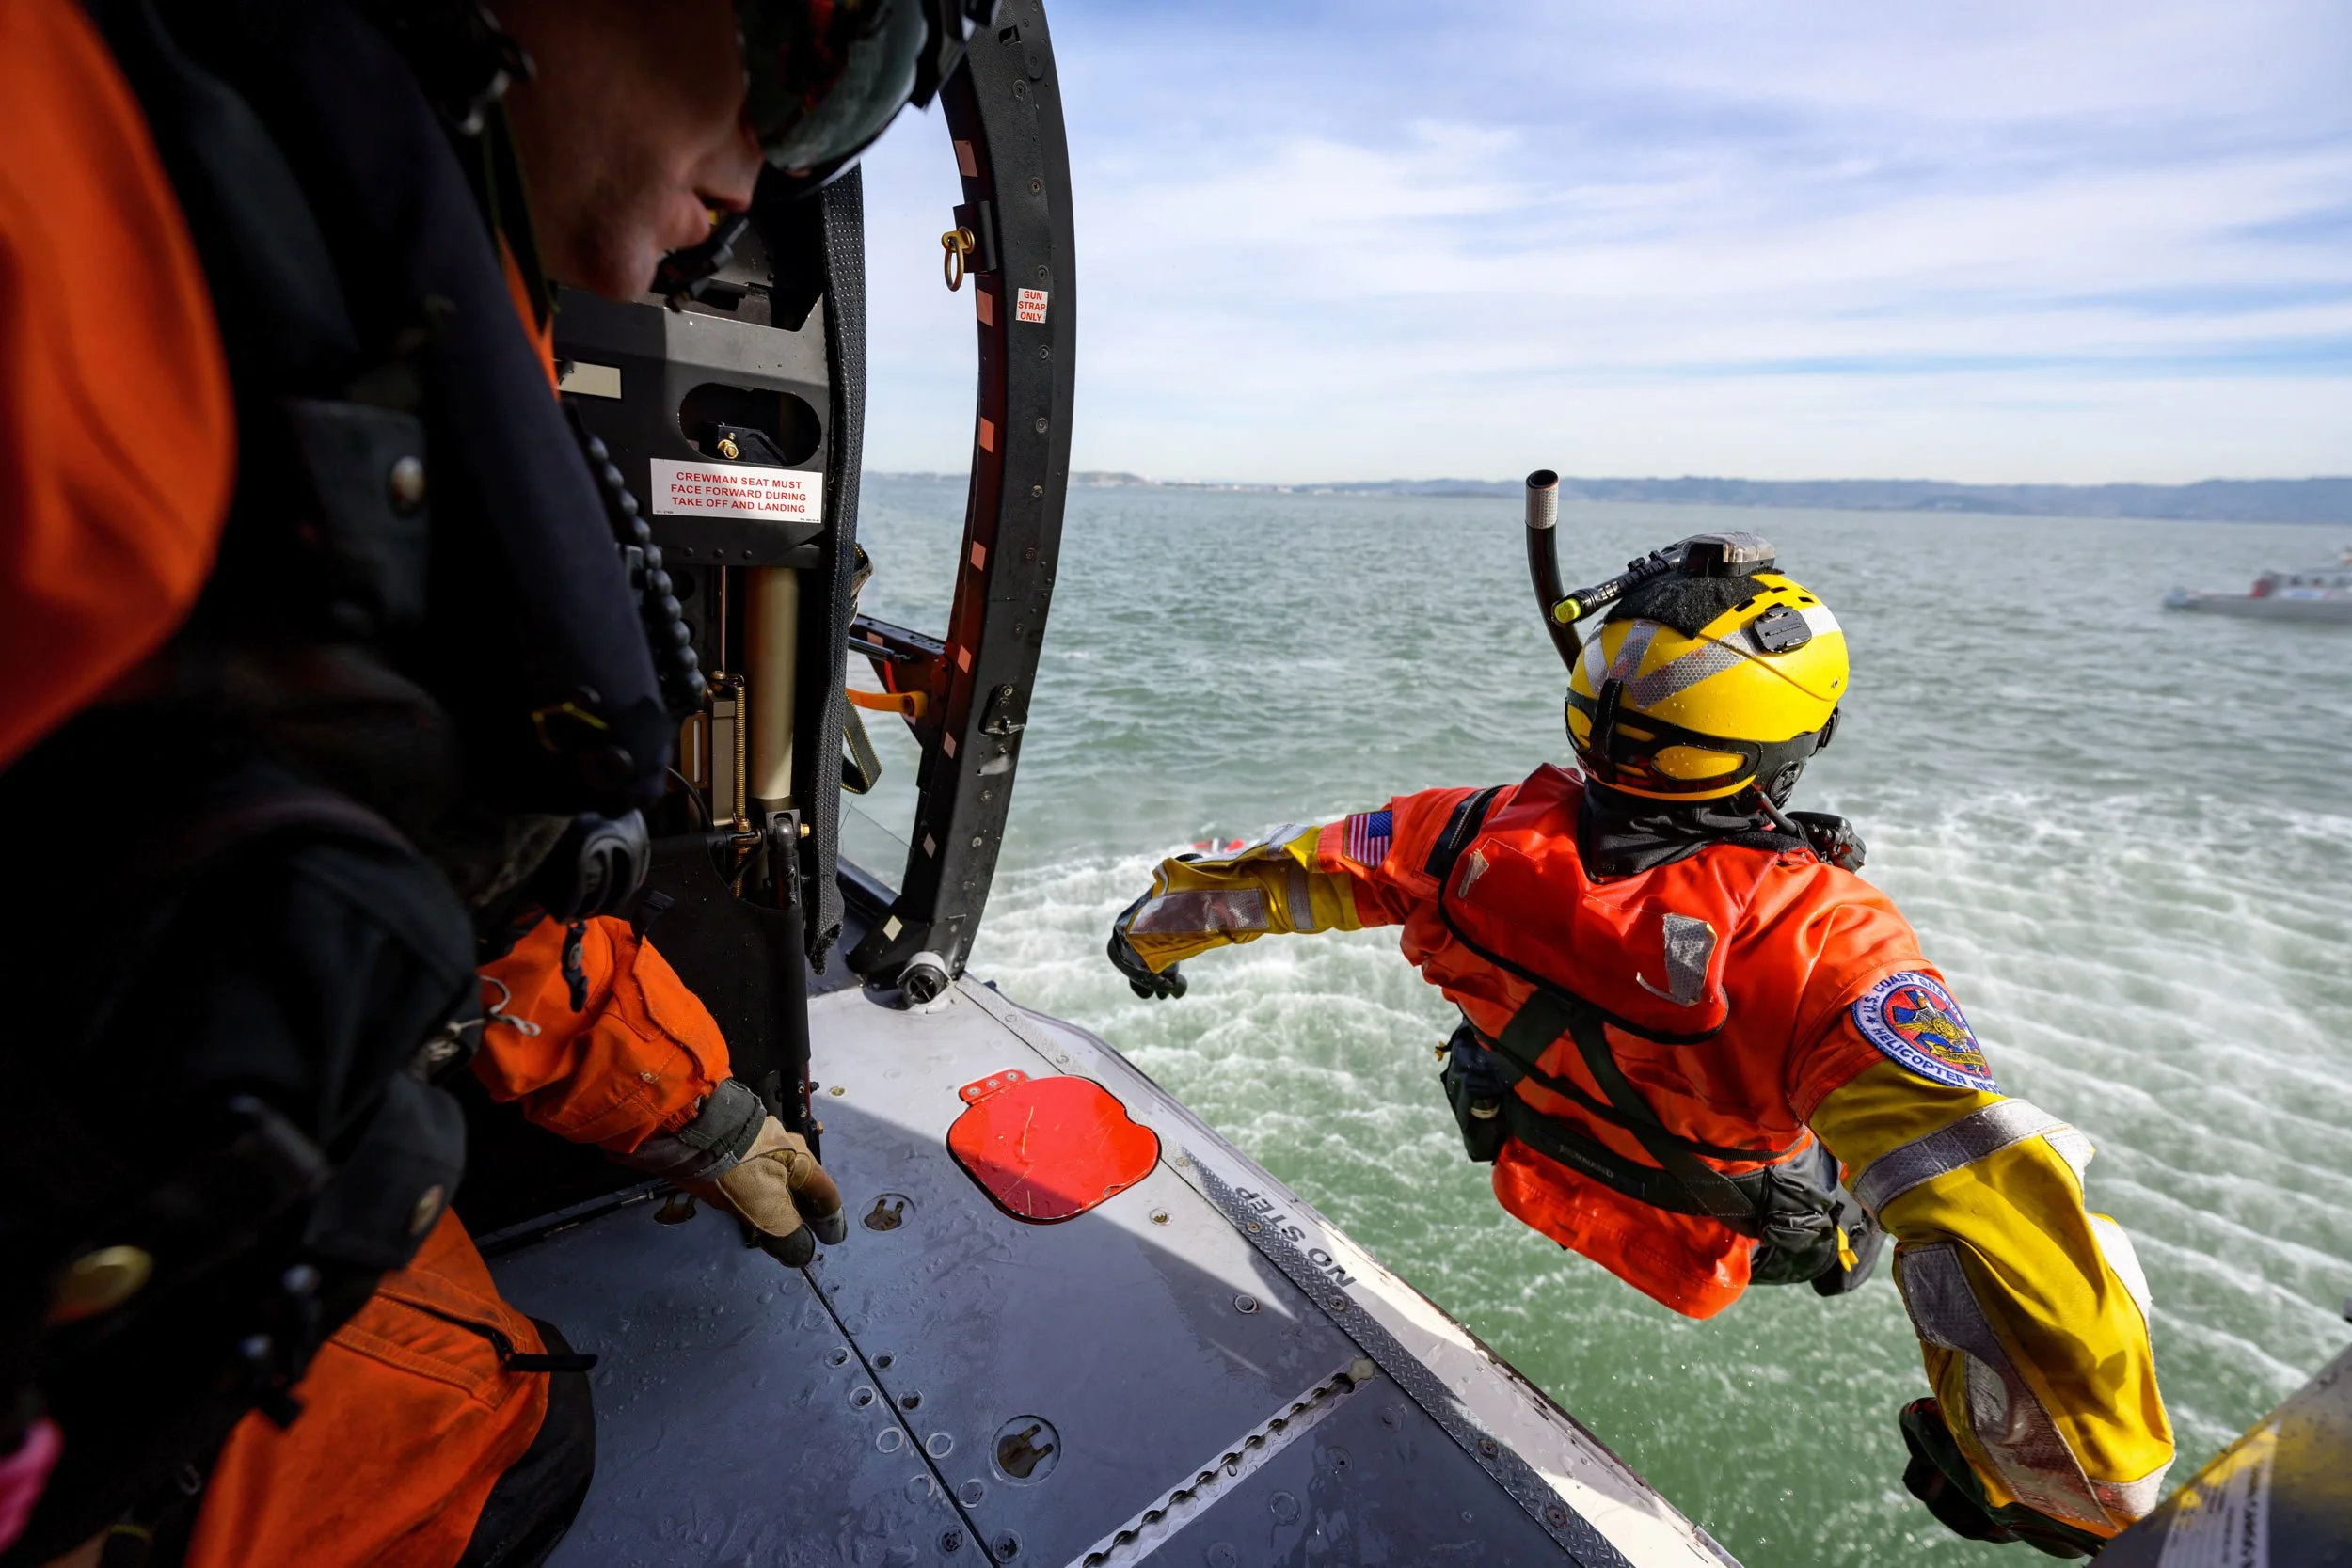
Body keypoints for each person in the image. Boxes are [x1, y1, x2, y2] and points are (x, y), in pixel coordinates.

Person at [0, 0, 947, 1561]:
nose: (787, 160)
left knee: (493, 1399)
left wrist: (701, 1114)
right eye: (827, 44)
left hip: (166, 1154)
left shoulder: (378, 293)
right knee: (484, 1451)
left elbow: (455, 880)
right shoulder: (76, 179)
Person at [1104, 534, 2173, 1557]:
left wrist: (1154, 933)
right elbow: (1989, 1211)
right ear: (1787, 748)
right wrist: (2056, 1480)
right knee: (1878, 1215)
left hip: (1529, 1148)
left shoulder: (1458, 832)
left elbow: (1290, 872)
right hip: (1723, 1228)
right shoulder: (1823, 945)